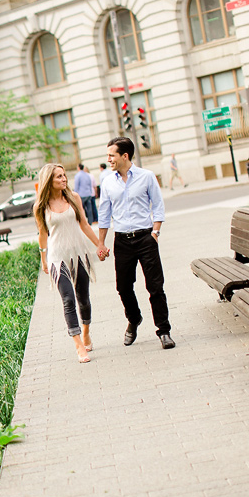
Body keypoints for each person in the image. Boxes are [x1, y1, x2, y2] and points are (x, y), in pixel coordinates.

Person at [98, 137, 175, 350]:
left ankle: (164, 331)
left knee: (155, 287)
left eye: (111, 155)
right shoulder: (107, 182)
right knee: (123, 287)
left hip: (145, 238)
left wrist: (156, 232)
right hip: (122, 240)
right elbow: (104, 215)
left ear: (125, 155)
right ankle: (134, 318)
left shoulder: (147, 177)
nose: (109, 159)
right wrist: (100, 243)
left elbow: (158, 206)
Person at [35, 163, 108, 363]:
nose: (64, 179)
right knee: (68, 300)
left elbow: (84, 224)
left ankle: (85, 331)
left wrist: (99, 245)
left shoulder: (73, 198)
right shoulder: (40, 206)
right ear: (49, 180)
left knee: (83, 299)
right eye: (58, 176)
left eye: (64, 175)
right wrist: (43, 259)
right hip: (58, 258)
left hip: (79, 254)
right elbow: (42, 235)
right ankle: (78, 345)